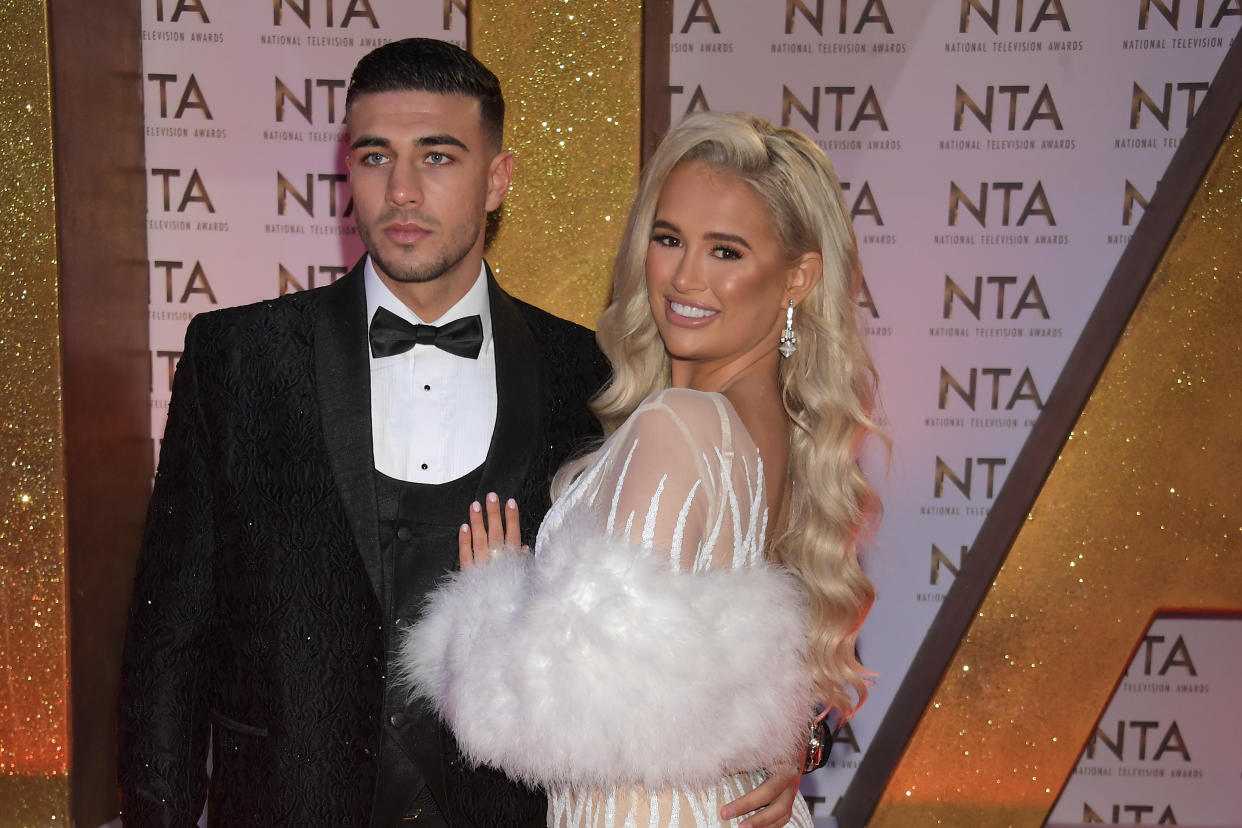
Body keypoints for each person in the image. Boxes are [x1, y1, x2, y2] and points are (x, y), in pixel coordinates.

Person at [117, 39, 803, 827]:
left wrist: (793, 734)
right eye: (376, 157)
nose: (401, 190)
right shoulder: (236, 357)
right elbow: (167, 638)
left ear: (497, 179)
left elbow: (727, 571)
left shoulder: (590, 369)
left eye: (437, 157)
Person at [398, 112, 882, 827]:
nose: (686, 276)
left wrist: (489, 602)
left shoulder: (678, 421)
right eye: (668, 238)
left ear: (796, 278)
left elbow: (580, 715)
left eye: (726, 252)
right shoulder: (778, 428)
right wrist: (793, 739)